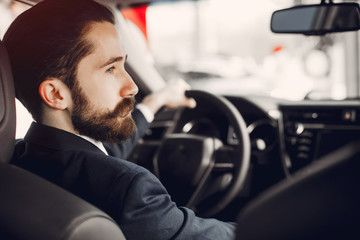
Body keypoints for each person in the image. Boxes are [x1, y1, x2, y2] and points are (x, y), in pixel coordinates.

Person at [4, 0, 236, 239]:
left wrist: (154, 103)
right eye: (111, 69)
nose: (133, 87)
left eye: (124, 64)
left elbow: (103, 154)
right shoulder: (129, 188)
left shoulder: (20, 158)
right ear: (55, 94)